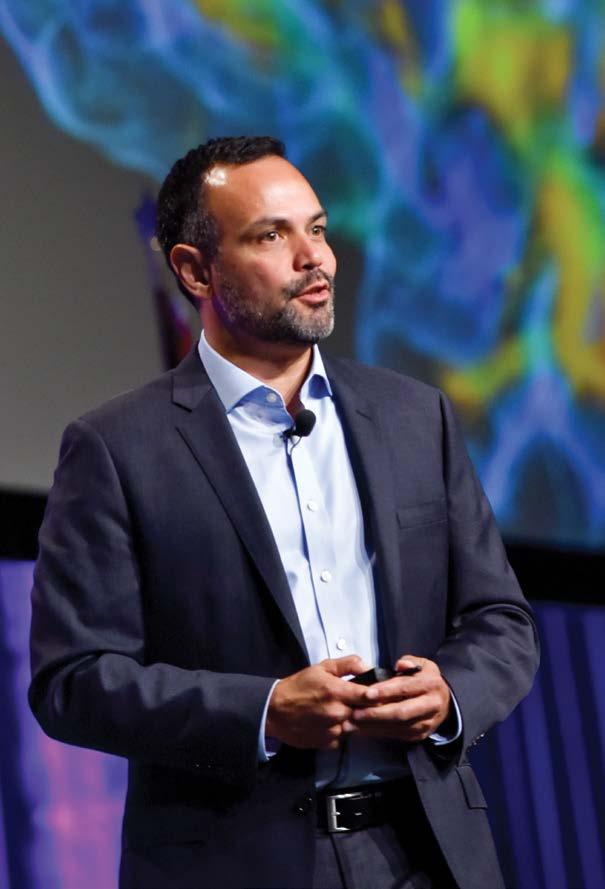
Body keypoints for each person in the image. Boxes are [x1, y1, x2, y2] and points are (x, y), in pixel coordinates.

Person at [30, 135, 539, 889]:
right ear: (194, 270)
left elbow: (500, 619)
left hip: (428, 854)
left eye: (318, 229)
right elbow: (73, 681)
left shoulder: (414, 416)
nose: (315, 258)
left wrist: (451, 692)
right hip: (234, 863)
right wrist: (264, 711)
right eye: (271, 236)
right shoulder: (116, 448)